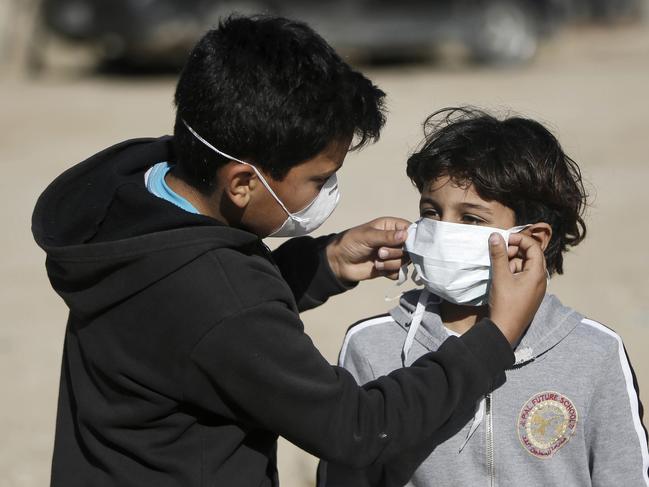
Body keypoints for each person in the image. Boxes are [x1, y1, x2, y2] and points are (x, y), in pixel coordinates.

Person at [32, 18, 547, 487]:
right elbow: (358, 429)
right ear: (240, 183)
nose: (328, 191)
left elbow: (182, 318)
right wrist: (493, 338)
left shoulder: (130, 204)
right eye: (319, 179)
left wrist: (322, 264)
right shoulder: (223, 303)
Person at [319, 107, 649, 486]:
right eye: (432, 212)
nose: (443, 231)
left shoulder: (593, 352)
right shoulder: (373, 345)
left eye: (471, 219)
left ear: (532, 240)